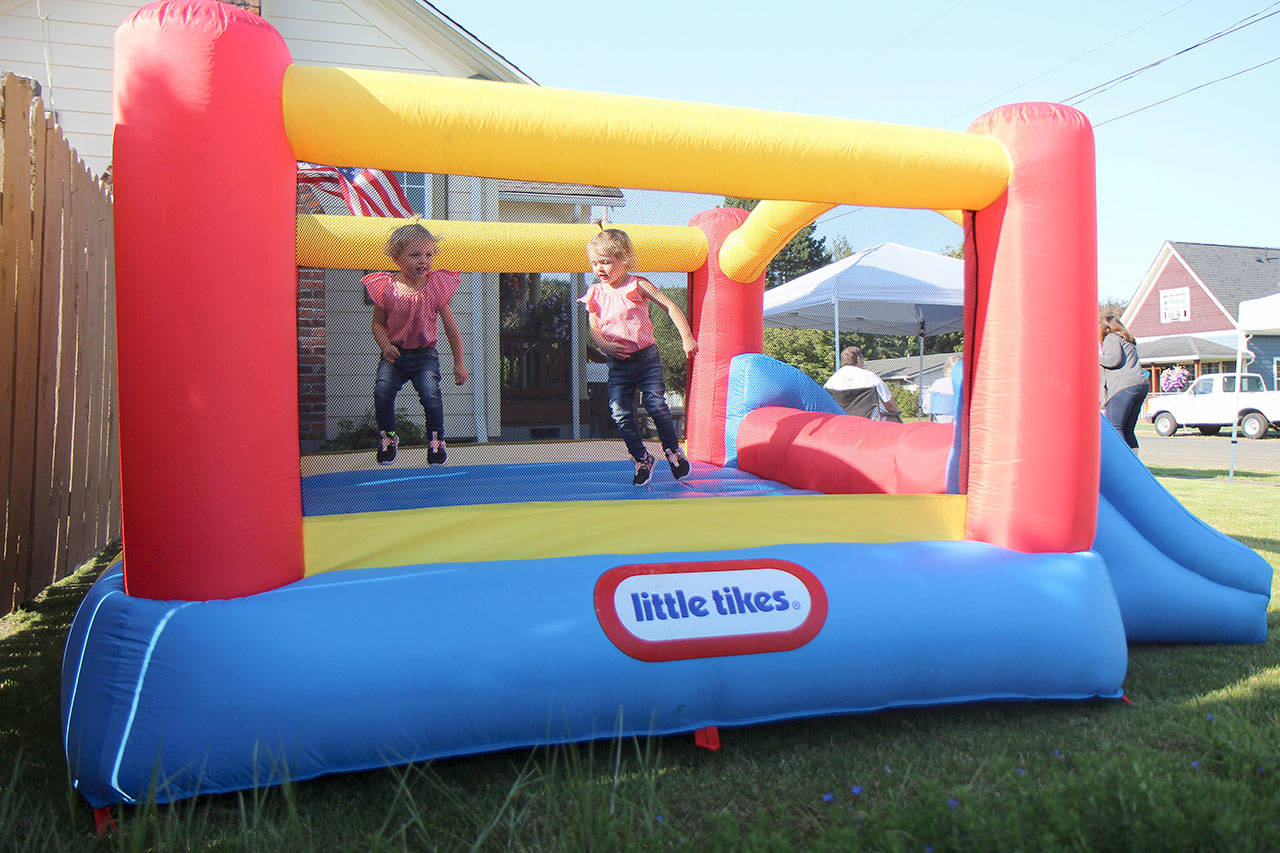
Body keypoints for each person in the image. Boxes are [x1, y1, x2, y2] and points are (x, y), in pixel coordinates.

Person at [580, 224, 697, 485]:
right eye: (595, 263)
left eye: (606, 262)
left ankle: (673, 451)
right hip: (618, 363)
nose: (600, 268)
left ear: (625, 259)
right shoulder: (595, 293)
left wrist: (686, 336)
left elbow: (669, 305)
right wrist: (606, 347)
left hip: (645, 358)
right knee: (619, 412)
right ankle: (642, 458)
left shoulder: (637, 285)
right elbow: (594, 329)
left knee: (655, 404)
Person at [363, 223, 467, 466]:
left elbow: (451, 328)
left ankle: (436, 440)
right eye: (415, 254)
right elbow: (377, 324)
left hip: (424, 355)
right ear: (397, 257)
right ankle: (388, 437)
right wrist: (385, 345)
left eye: (429, 254)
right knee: (382, 392)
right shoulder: (387, 288)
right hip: (395, 354)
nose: (424, 260)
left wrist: (459, 363)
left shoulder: (435, 287)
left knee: (431, 395)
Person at [1099, 314, 1148, 449]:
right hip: (1140, 385)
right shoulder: (1128, 341)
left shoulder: (1111, 338)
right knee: (1128, 430)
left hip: (1123, 387)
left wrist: (1094, 356)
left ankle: (1122, 464)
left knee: (1115, 427)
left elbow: (1113, 359)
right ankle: (1135, 464)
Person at [824, 346, 902, 422]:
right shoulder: (871, 378)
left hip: (841, 425)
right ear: (858, 359)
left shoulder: (830, 382)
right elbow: (890, 405)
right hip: (870, 426)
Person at [924, 354, 960, 423]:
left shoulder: (937, 384)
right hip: (962, 428)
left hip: (940, 426)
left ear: (947, 368)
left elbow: (926, 407)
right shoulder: (968, 386)